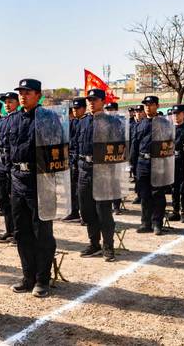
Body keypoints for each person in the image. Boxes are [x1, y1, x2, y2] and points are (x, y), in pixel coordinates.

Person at [6, 78, 57, 297]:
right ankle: (28, 276)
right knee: (22, 231)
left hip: (41, 179)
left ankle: (42, 279)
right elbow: (6, 148)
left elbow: (59, 149)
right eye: (21, 92)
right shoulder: (13, 120)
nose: (22, 96)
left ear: (38, 95)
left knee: (42, 232)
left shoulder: (49, 118)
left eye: (27, 92)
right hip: (18, 179)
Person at [76, 88, 116, 261]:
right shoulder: (82, 122)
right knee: (87, 210)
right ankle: (94, 244)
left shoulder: (112, 122)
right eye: (89, 100)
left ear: (103, 101)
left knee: (103, 211)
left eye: (95, 100)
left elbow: (118, 148)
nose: (91, 103)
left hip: (103, 171)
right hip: (85, 169)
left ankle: (108, 247)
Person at [131, 96, 171, 235]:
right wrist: (133, 165)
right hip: (142, 163)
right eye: (146, 104)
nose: (148, 107)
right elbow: (134, 146)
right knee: (144, 194)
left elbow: (168, 145)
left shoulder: (165, 124)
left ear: (157, 106)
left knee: (158, 194)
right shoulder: (139, 124)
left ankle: (157, 223)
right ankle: (145, 223)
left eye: (151, 104)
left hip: (158, 163)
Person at [0, 92, 19, 242]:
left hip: (13, 162)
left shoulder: (19, 119)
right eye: (6, 102)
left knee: (14, 199)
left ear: (17, 103)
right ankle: (9, 229)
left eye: (10, 102)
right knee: (3, 197)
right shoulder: (3, 121)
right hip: (2, 162)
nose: (7, 104)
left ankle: (18, 231)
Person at [65, 97, 86, 222]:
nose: (75, 111)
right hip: (71, 159)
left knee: (82, 190)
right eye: (73, 108)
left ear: (84, 108)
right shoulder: (72, 123)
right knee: (71, 188)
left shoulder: (87, 122)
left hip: (82, 160)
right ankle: (74, 211)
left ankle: (84, 214)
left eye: (77, 108)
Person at [170, 104, 184, 222]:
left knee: (183, 188)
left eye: (178, 114)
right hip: (172, 162)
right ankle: (175, 211)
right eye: (174, 114)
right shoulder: (169, 129)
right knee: (174, 188)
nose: (176, 116)